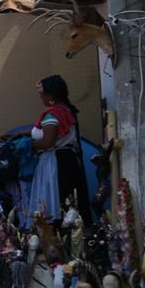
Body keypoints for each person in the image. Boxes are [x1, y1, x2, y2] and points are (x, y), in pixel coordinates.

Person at [26, 74, 93, 226]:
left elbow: (48, 141)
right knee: (68, 200)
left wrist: (30, 145)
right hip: (67, 160)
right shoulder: (66, 111)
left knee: (53, 200)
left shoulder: (53, 114)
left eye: (41, 95)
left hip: (54, 164)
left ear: (50, 96)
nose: (40, 98)